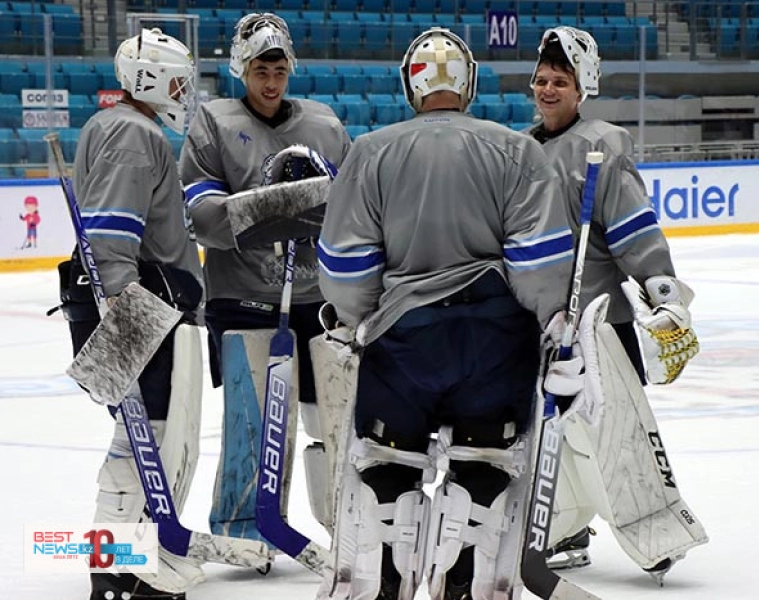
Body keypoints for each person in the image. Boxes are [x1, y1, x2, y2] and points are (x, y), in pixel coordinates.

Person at [316, 27, 574, 600]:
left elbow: (343, 264)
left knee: (390, 465)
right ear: (469, 84)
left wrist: (365, 323)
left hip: (403, 341)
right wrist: (550, 323)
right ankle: (467, 581)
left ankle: (388, 581)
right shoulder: (517, 149)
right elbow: (539, 263)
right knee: (485, 464)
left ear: (411, 85)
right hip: (494, 339)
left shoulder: (371, 151)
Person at [526, 27, 705, 578]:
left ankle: (660, 530)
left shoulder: (601, 147)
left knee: (616, 437)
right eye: (541, 80)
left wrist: (664, 293)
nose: (548, 90)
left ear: (584, 88)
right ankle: (564, 526)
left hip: (601, 327)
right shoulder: (523, 149)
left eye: (560, 81)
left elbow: (634, 231)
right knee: (551, 435)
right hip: (546, 329)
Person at [179, 12, 351, 543]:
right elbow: (202, 217)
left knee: (335, 422)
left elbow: (351, 211)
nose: (270, 82)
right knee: (250, 423)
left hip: (318, 300)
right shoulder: (213, 122)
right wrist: (281, 207)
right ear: (241, 70)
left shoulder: (323, 124)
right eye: (260, 71)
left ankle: (346, 523)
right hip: (242, 298)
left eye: (278, 70)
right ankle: (241, 530)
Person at [58, 28, 205, 600]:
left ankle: (127, 558)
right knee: (141, 434)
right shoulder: (131, 132)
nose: (182, 90)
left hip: (141, 300)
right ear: (150, 79)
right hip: (136, 303)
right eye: (176, 79)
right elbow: (113, 228)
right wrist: (119, 305)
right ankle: (117, 567)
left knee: (147, 433)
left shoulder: (121, 126)